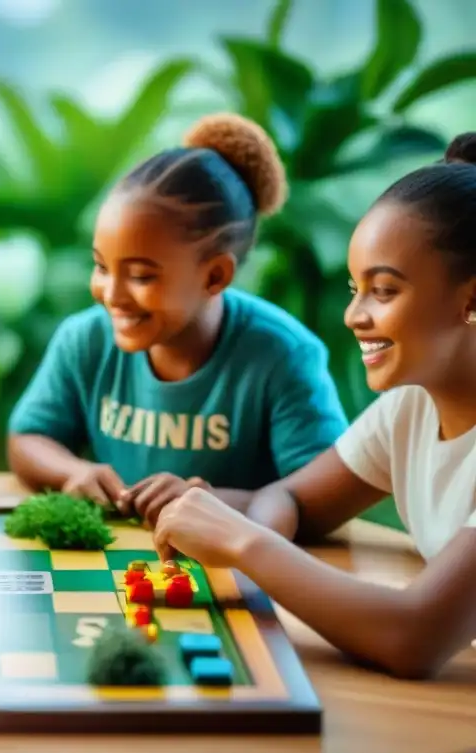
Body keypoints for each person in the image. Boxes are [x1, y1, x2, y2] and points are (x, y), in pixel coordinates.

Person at [153, 134, 476, 679]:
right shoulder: (409, 409)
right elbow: (294, 499)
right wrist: (207, 505)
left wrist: (242, 540)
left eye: (384, 290)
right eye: (355, 288)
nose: (354, 314)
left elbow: (414, 635)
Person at [7, 112, 348, 522]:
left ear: (215, 275)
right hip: (123, 566)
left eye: (140, 275)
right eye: (101, 267)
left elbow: (327, 496)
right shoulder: (84, 339)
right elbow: (27, 439)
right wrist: (72, 471)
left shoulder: (283, 355)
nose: (111, 294)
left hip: (235, 572)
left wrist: (210, 500)